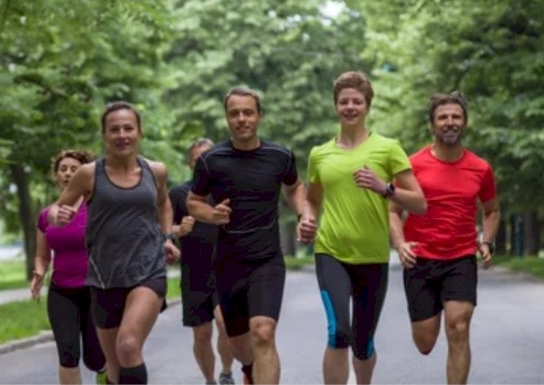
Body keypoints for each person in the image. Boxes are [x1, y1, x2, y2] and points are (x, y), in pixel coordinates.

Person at [305, 71, 427, 385]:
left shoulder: (388, 149)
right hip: (330, 251)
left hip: (372, 257)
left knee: (362, 342)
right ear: (335, 106)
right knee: (338, 332)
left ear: (367, 106)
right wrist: (307, 220)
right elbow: (312, 200)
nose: (350, 107)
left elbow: (419, 203)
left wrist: (383, 187)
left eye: (356, 101)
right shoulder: (320, 154)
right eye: (343, 101)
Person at [187, 87, 315, 385]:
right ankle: (247, 370)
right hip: (228, 263)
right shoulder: (211, 161)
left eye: (248, 112)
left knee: (263, 332)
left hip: (266, 260)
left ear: (259, 116)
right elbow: (194, 201)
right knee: (241, 346)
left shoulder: (279, 156)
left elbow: (295, 186)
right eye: (235, 113)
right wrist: (211, 214)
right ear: (227, 118)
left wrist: (302, 215)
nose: (241, 119)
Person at [49, 101, 180, 384]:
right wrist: (59, 215)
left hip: (148, 271)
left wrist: (167, 237)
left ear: (139, 133)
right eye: (114, 129)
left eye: (128, 128)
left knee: (129, 345)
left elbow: (164, 204)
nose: (122, 134)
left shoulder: (155, 171)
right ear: (104, 135)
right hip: (104, 277)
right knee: (115, 367)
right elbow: (56, 209)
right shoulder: (89, 174)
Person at [389, 92, 500, 384]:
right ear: (432, 125)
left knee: (458, 327)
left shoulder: (480, 168)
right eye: (443, 117)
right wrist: (400, 244)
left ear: (464, 123)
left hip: (460, 258)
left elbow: (492, 211)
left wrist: (486, 241)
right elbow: (392, 211)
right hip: (420, 258)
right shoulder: (411, 165)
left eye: (456, 117)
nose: (450, 122)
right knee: (425, 343)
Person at [31, 149, 107, 384]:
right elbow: (42, 255)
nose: (68, 173)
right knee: (67, 354)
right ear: (56, 176)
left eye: (74, 169)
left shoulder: (98, 209)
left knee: (95, 358)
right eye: (63, 169)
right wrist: (39, 273)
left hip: (95, 290)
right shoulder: (47, 216)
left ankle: (105, 374)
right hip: (62, 291)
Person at [169, 138, 235, 385]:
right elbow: (164, 229)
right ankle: (209, 380)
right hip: (194, 272)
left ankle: (227, 373)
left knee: (225, 323)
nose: (203, 162)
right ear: (190, 162)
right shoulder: (178, 194)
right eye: (197, 158)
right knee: (201, 334)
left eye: (208, 156)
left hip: (226, 269)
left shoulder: (228, 192)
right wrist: (178, 230)